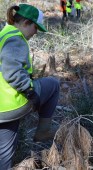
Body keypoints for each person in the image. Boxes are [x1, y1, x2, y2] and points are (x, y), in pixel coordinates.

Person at [0, 4, 60, 169]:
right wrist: (31, 92)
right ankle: (43, 130)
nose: (36, 33)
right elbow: (12, 72)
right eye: (36, 28)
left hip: (2, 106)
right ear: (26, 22)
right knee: (54, 84)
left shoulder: (3, 34)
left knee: (4, 153)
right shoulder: (15, 38)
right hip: (11, 105)